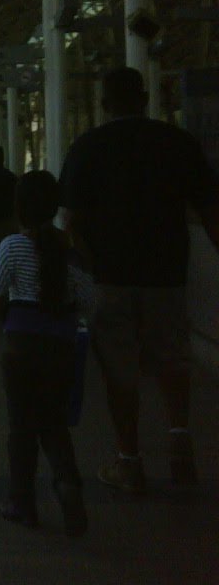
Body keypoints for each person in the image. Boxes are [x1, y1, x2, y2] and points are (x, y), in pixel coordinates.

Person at [60, 66, 219, 493]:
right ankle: (180, 441)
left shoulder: (87, 147)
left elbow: (69, 223)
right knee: (172, 360)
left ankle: (129, 461)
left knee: (120, 370)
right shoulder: (178, 143)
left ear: (104, 104)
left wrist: (86, 269)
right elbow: (210, 211)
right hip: (167, 276)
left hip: (110, 279)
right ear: (145, 99)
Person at [0, 170, 87, 537]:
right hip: (61, 348)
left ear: (19, 207)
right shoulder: (70, 250)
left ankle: (22, 502)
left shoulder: (11, 246)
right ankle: (68, 482)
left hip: (21, 348)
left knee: (22, 427)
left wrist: (6, 321)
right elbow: (85, 299)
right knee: (54, 422)